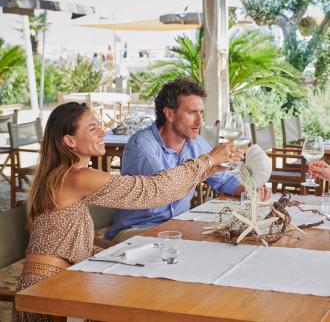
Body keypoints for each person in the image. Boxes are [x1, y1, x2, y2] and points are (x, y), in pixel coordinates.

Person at [13, 102, 243, 321]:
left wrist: (207, 170)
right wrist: (207, 159)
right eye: (93, 128)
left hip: (58, 283)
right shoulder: (77, 177)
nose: (102, 132)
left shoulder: (65, 175)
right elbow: (151, 191)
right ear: (70, 141)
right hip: (47, 293)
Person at [105, 78, 271, 242]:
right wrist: (209, 160)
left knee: (233, 238)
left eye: (201, 113)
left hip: (177, 226)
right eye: (192, 112)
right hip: (137, 230)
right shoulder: (142, 145)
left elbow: (222, 179)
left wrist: (247, 189)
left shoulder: (195, 143)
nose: (200, 121)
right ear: (170, 113)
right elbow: (165, 190)